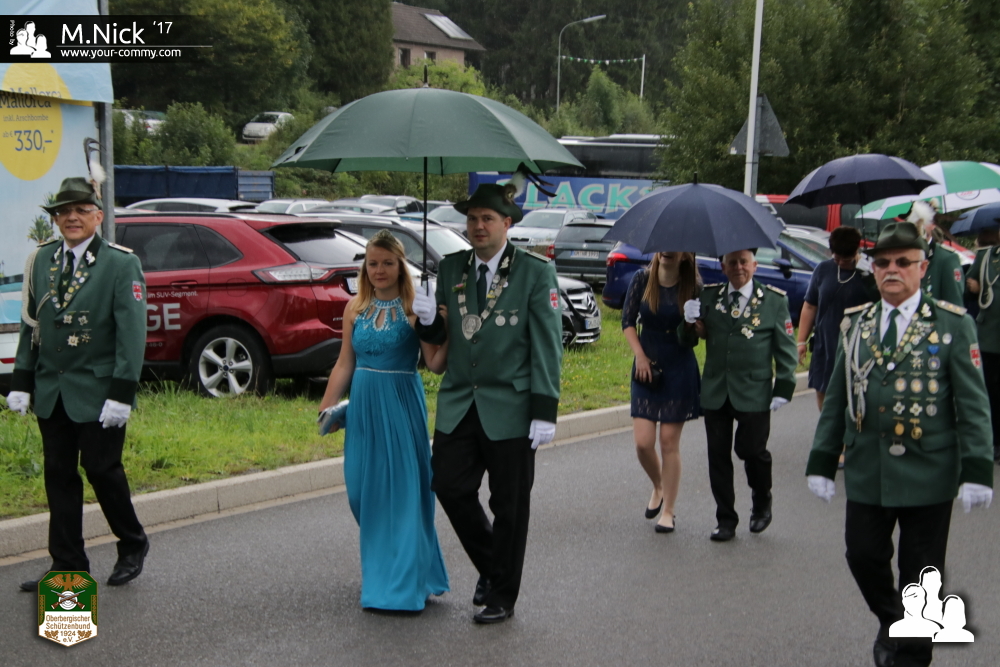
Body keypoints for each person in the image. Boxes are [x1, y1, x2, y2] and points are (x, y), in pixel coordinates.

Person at [806, 221, 993, 667]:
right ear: (873, 269)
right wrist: (822, 459)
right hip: (869, 468)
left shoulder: (952, 325)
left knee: (921, 574)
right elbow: (838, 397)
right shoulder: (857, 325)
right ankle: (894, 622)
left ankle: (911, 654)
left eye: (903, 262)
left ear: (921, 268)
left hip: (929, 471)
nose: (892, 270)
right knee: (862, 555)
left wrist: (977, 468)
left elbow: (973, 403)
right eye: (883, 262)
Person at [412, 181, 563, 624]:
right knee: (449, 485)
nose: (478, 226)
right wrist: (426, 321)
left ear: (507, 223)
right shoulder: (452, 268)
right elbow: (443, 339)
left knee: (509, 505)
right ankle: (493, 567)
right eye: (473, 218)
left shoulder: (534, 272)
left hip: (511, 405)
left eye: (487, 219)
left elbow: (547, 345)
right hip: (461, 400)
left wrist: (544, 409)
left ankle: (502, 596)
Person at [8, 177, 150, 590]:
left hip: (100, 391)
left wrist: (122, 392)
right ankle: (67, 564)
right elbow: (32, 325)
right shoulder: (42, 260)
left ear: (98, 216)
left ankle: (132, 543)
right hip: (52, 390)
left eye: (81, 210)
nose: (71, 217)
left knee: (102, 470)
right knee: (58, 475)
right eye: (63, 212)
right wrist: (22, 379)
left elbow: (131, 334)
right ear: (55, 219)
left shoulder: (120, 263)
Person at [317, 229, 450, 612]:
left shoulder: (415, 307)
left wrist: (444, 329)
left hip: (401, 406)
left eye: (387, 263)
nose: (379, 270)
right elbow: (345, 362)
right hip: (363, 408)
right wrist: (327, 406)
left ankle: (399, 586)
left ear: (400, 266)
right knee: (362, 492)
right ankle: (394, 567)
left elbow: (435, 364)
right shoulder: (355, 307)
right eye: (372, 263)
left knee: (404, 495)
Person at [680, 249, 798, 542]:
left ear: (754, 265)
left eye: (743, 262)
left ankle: (762, 498)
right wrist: (688, 321)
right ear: (723, 267)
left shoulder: (774, 301)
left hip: (754, 390)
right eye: (732, 263)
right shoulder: (709, 296)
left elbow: (786, 349)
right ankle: (726, 519)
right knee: (718, 457)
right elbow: (688, 340)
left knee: (751, 451)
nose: (738, 267)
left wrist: (784, 387)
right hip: (717, 389)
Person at [622, 252, 702, 533]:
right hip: (647, 365)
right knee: (643, 443)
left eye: (674, 247)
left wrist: (693, 323)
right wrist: (640, 356)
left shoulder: (693, 286)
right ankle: (659, 485)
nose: (667, 250)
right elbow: (627, 322)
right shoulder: (642, 279)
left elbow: (696, 338)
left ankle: (668, 510)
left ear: (684, 255)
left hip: (679, 367)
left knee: (668, 442)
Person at [797, 226, 877, 409]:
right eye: (836, 258)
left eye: (846, 260)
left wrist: (870, 277)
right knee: (823, 390)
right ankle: (827, 425)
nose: (840, 263)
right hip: (826, 343)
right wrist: (801, 341)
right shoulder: (823, 269)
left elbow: (882, 301)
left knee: (854, 395)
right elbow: (810, 306)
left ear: (856, 251)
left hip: (857, 346)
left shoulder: (869, 272)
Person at [964, 227, 1000, 462]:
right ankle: (994, 440)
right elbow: (969, 285)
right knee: (990, 392)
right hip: (990, 337)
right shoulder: (987, 256)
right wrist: (977, 288)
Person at [907, 201, 964, 307]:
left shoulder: (946, 258)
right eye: (914, 220)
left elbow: (954, 304)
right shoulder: (904, 255)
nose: (918, 225)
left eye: (923, 221)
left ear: (933, 224)